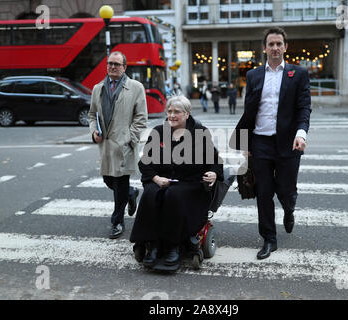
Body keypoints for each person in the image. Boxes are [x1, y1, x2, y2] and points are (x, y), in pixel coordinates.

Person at [230, 27, 311, 260]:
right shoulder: (254, 75)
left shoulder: (299, 74)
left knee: (286, 189)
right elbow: (249, 111)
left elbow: (304, 108)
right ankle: (269, 239)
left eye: (279, 44)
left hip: (289, 143)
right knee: (264, 192)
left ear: (286, 47)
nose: (275, 48)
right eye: (271, 44)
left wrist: (301, 133)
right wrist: (245, 143)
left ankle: (289, 208)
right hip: (260, 143)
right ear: (264, 48)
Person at [130, 95, 223, 267]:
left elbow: (215, 161)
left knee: (174, 194)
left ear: (187, 114)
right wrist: (156, 179)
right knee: (150, 194)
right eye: (169, 111)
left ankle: (174, 246)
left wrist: (214, 173)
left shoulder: (200, 133)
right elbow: (144, 162)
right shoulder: (159, 131)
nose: (171, 115)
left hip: (190, 183)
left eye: (177, 112)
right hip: (161, 180)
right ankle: (154, 245)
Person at [88, 51, 148, 239]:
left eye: (116, 64)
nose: (112, 67)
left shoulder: (136, 87)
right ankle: (131, 193)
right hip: (105, 145)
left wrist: (130, 136)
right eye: (110, 63)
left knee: (120, 182)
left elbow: (141, 117)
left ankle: (117, 222)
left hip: (124, 145)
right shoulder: (98, 88)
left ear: (124, 67)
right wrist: (93, 131)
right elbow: (92, 115)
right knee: (108, 180)